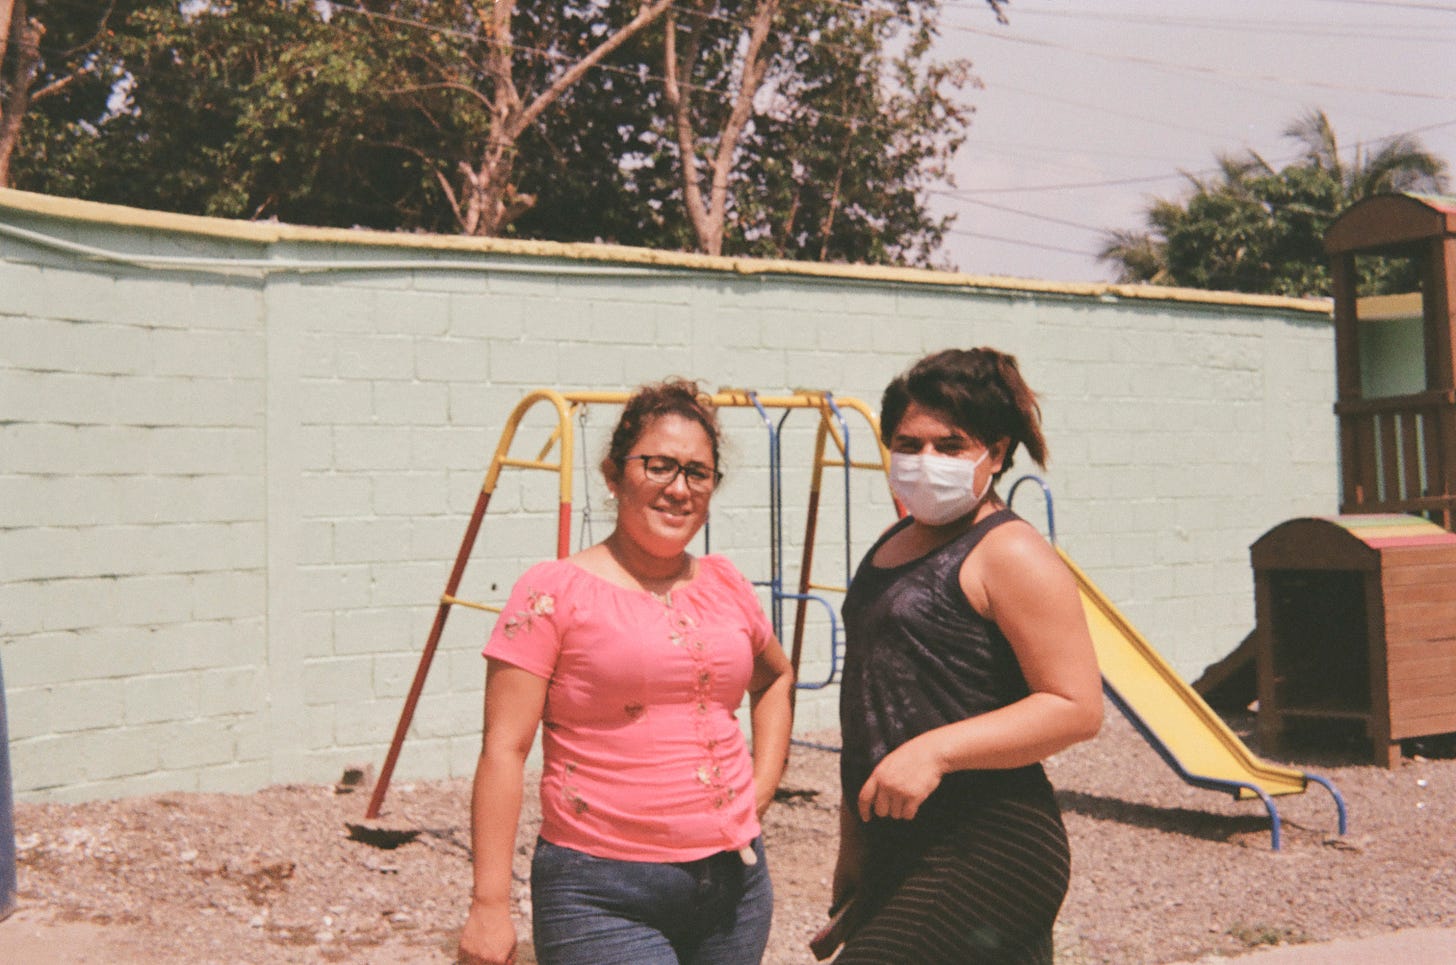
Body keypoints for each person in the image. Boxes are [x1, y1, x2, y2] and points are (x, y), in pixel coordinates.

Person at [458, 378, 796, 965]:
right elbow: (504, 749)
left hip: (735, 888)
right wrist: (489, 904)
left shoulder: (726, 584)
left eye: (698, 473)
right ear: (614, 475)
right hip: (600, 892)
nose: (679, 488)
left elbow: (775, 678)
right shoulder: (552, 593)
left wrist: (761, 787)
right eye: (658, 466)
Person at [829, 348, 1103, 964]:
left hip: (988, 844)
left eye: (950, 446)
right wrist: (853, 843)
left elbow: (1076, 706)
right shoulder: (891, 543)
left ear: (996, 453)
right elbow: (866, 702)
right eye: (909, 444)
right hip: (898, 845)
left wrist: (935, 751)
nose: (926, 460)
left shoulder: (1010, 552)